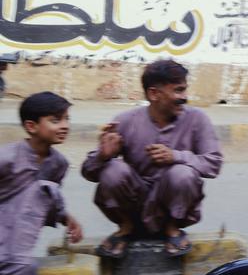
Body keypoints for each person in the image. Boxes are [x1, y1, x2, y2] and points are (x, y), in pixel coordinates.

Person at [83, 59, 223, 258]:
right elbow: (88, 172)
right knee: (113, 169)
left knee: (182, 173)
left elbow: (214, 163)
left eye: (184, 90)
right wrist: (103, 156)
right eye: (178, 91)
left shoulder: (197, 119)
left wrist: (175, 156)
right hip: (135, 204)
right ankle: (126, 228)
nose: (184, 97)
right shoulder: (125, 121)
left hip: (174, 207)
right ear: (154, 94)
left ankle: (172, 229)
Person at [0, 92, 83, 275]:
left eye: (67, 119)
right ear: (31, 126)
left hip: (17, 243)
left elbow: (45, 198)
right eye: (56, 120)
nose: (65, 126)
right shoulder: (7, 159)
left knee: (24, 269)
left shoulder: (58, 164)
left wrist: (66, 218)